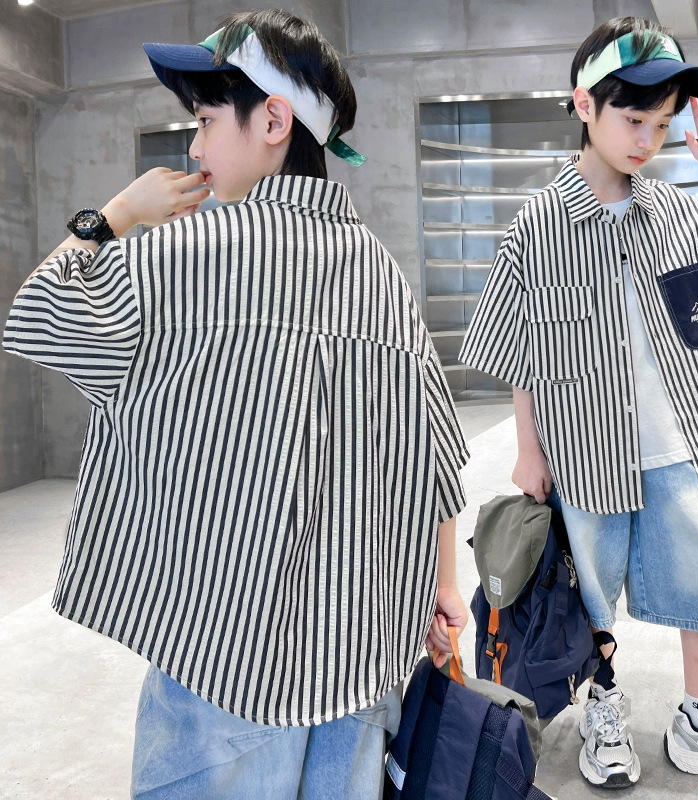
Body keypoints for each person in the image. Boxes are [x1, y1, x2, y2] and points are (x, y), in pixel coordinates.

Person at [3, 9, 469, 798]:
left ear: (274, 122)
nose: (194, 148)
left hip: (221, 656)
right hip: (356, 654)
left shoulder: (183, 254)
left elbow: (40, 312)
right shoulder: (381, 276)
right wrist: (442, 584)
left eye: (206, 120)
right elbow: (435, 453)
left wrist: (114, 215)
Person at [460, 15, 698, 790]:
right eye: (634, 119)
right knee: (591, 597)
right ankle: (604, 710)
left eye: (662, 123)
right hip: (586, 453)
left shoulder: (678, 211)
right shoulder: (536, 227)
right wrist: (529, 450)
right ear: (585, 105)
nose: (648, 139)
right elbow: (518, 349)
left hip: (681, 446)